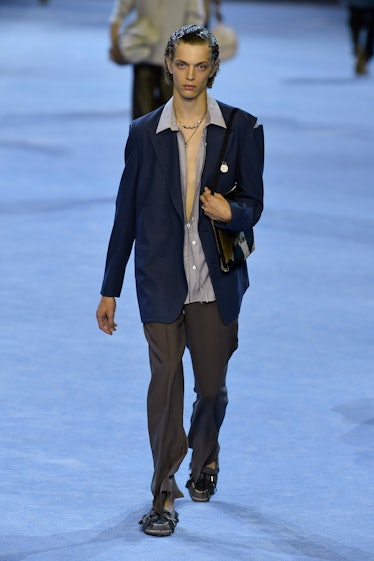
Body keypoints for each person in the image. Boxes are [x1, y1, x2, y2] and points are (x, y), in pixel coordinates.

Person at [96, 24, 264, 537]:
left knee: (210, 388)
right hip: (161, 279)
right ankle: (163, 492)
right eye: (182, 64)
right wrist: (111, 287)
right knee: (166, 384)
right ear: (169, 64)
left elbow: (253, 206)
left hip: (216, 282)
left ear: (212, 69)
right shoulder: (144, 133)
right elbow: (126, 213)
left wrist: (228, 211)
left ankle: (205, 456)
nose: (190, 76)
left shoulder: (243, 128)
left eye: (200, 65)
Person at [109, 0, 205, 118]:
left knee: (166, 120)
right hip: (153, 58)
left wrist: (115, 46)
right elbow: (195, 22)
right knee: (161, 120)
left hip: (165, 59)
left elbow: (118, 15)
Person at [347, 0, 374, 74]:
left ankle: (358, 47)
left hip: (354, 5)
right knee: (370, 34)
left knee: (356, 30)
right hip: (370, 6)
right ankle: (366, 55)